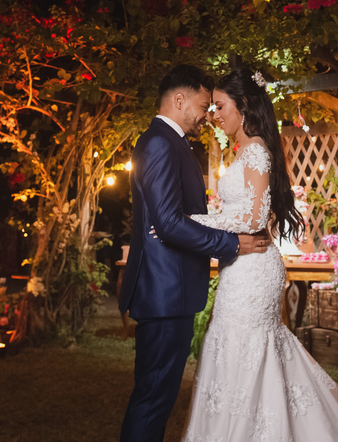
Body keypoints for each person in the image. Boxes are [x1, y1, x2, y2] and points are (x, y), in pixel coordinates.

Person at [176, 67, 338, 442]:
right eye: (211, 107)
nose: (214, 114)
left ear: (243, 105)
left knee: (247, 349)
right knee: (237, 348)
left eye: (219, 105)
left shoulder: (257, 150)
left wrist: (193, 219)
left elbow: (256, 216)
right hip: (242, 266)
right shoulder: (246, 149)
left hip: (253, 270)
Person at [119, 65, 272, 442]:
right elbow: (169, 223)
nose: (207, 114)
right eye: (204, 105)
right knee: (153, 397)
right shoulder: (158, 142)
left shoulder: (173, 143)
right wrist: (232, 244)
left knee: (159, 397)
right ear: (179, 100)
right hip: (163, 293)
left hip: (174, 292)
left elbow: (177, 217)